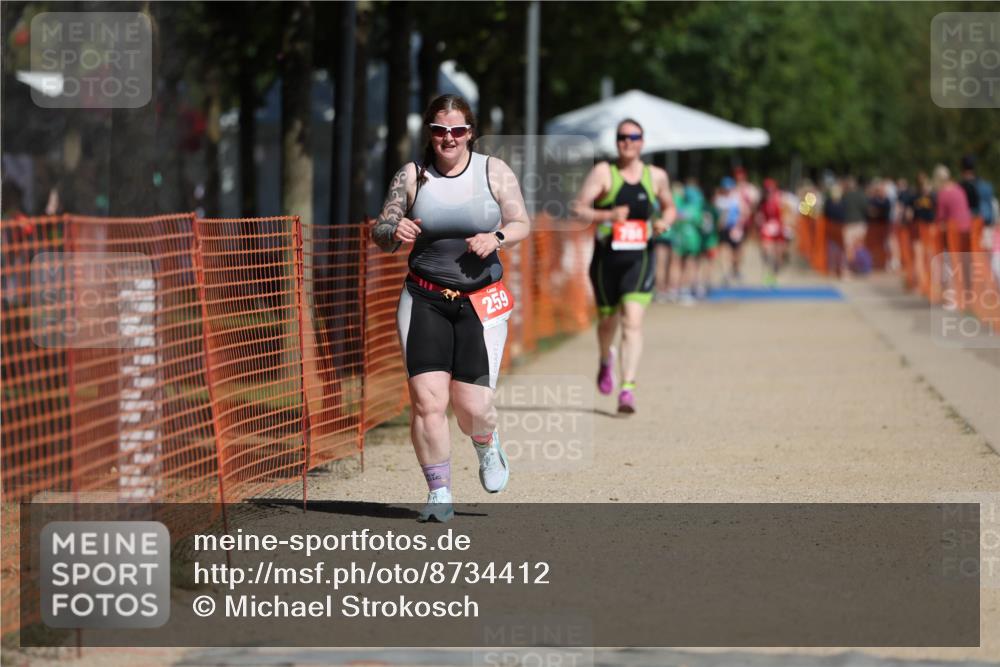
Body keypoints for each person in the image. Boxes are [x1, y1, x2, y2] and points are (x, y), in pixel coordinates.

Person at [371, 94, 530, 522]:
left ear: (470, 133)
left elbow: (521, 222)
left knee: (473, 406)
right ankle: (439, 492)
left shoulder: (492, 171)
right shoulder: (412, 176)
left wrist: (496, 238)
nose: (449, 138)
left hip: (479, 302)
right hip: (424, 297)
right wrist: (392, 227)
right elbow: (381, 232)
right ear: (430, 132)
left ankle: (486, 443)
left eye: (458, 130)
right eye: (441, 130)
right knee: (427, 401)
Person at [571, 118, 675, 413]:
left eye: (633, 137)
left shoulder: (656, 176)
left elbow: (669, 206)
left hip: (640, 258)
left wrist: (664, 223)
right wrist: (608, 216)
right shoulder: (604, 172)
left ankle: (627, 388)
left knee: (632, 321)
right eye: (621, 137)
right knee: (608, 322)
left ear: (642, 141)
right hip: (607, 260)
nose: (627, 142)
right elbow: (578, 208)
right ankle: (606, 360)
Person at [757, 177, 786, 286]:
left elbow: (788, 212)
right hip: (767, 229)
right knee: (767, 251)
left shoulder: (780, 198)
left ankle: (775, 274)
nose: (769, 191)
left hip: (779, 229)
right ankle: (768, 274)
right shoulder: (762, 202)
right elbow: (759, 216)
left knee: (779, 255)